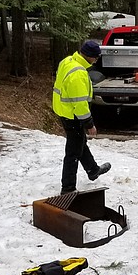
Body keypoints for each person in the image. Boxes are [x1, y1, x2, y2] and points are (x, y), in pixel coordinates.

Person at [51, 40, 111, 193]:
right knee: (73, 153)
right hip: (73, 115)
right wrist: (89, 124)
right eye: (96, 58)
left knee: (79, 142)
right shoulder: (78, 73)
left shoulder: (68, 61)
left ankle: (92, 170)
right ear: (90, 57)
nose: (96, 61)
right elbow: (80, 103)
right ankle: (68, 187)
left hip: (63, 111)